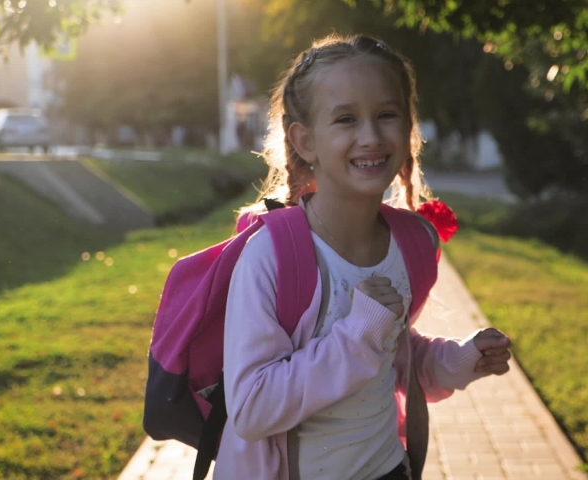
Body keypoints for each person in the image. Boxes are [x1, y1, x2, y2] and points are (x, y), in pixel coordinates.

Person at [213, 34, 512, 480]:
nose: (370, 137)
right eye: (346, 119)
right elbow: (253, 409)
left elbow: (391, 355)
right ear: (305, 141)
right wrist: (358, 335)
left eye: (387, 115)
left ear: (408, 127)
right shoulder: (271, 257)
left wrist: (460, 360)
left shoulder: (409, 244)